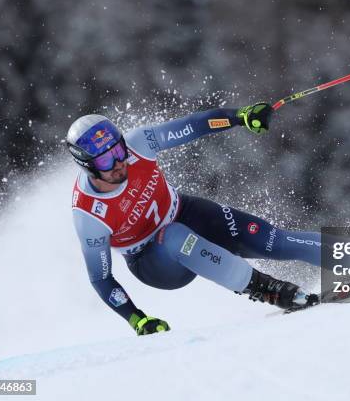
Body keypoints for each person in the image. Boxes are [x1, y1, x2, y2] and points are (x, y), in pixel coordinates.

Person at [68, 103, 323, 336]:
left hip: (185, 212)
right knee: (174, 236)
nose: (118, 163)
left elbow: (194, 126)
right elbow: (101, 278)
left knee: (271, 240)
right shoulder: (89, 215)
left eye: (118, 150)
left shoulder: (138, 145)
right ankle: (267, 288)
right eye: (104, 159)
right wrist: (138, 320)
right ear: (87, 165)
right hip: (154, 262)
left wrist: (240, 117)